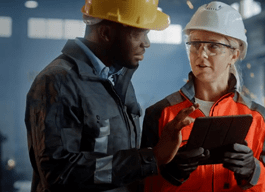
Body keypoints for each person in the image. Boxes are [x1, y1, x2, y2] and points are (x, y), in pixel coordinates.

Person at [24, 0, 206, 191]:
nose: (147, 43)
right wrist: (152, 157)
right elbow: (61, 173)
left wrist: (168, 164)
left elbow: (121, 165)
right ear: (106, 33)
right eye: (139, 33)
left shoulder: (118, 80)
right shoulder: (58, 82)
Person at [141, 1, 265, 191]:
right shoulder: (161, 114)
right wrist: (170, 172)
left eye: (213, 46)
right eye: (195, 44)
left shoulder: (260, 119)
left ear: (235, 54)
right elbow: (140, 185)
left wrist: (254, 173)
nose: (201, 54)